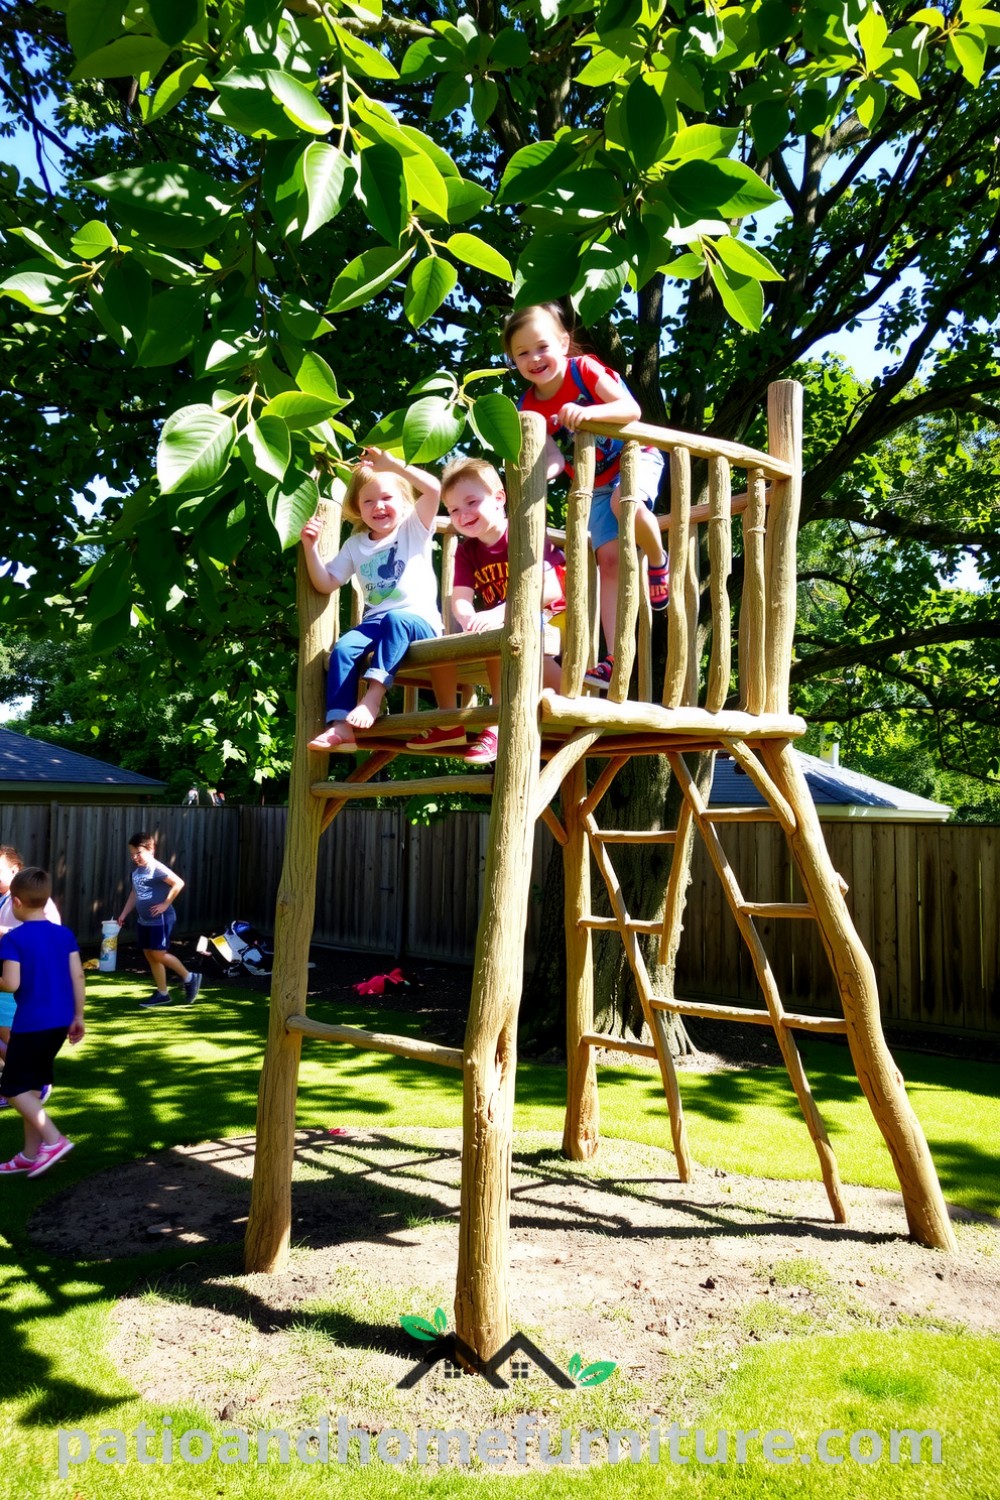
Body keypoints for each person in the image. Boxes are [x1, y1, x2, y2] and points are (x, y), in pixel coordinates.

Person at [504, 302, 668, 689]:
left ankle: (659, 559)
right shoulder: (528, 406)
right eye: (522, 353)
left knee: (624, 503)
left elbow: (631, 409)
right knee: (607, 562)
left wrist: (586, 416)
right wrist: (532, 487)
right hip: (593, 482)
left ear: (563, 343)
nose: (534, 359)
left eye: (541, 346)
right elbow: (553, 458)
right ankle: (612, 657)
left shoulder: (584, 369)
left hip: (635, 457)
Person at [300, 447, 461, 753]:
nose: (379, 506)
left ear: (404, 500)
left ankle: (373, 698)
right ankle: (341, 727)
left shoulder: (413, 527)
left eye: (387, 497)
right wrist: (310, 548)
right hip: (376, 625)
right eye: (368, 500)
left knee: (395, 619)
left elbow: (434, 489)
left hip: (418, 622)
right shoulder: (355, 545)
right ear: (358, 508)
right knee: (344, 648)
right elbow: (326, 583)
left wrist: (393, 465)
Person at [416, 457, 564, 766]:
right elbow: (460, 598)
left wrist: (498, 613)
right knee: (451, 639)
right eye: (454, 509)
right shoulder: (468, 550)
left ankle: (499, 722)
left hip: (555, 617)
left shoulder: (523, 533)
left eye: (471, 502)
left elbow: (550, 591)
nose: (463, 514)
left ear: (499, 499)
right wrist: (467, 615)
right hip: (511, 624)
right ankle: (451, 718)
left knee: (507, 633)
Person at [0, 867, 84, 1177]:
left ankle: (54, 1139)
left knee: (12, 1089)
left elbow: (10, 983)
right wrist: (79, 1016)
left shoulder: (15, 939)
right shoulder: (64, 935)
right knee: (31, 1088)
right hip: (60, 1024)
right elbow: (77, 975)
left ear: (16, 901)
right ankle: (29, 1154)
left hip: (31, 1025)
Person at [0, 844, 60, 1110]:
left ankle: (34, 1081)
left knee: (13, 1037)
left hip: (26, 979)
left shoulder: (30, 898)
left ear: (15, 869)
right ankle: (18, 1082)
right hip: (13, 976)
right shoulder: (5, 898)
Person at [115, 832, 202, 1009]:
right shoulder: (137, 872)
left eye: (138, 853)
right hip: (144, 920)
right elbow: (134, 893)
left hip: (160, 919)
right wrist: (124, 914)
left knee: (157, 954)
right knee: (149, 954)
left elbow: (178, 883)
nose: (135, 857)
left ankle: (190, 977)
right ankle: (163, 994)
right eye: (132, 854)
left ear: (151, 850)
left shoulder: (156, 868)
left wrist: (165, 904)